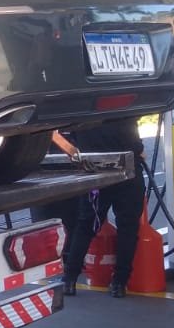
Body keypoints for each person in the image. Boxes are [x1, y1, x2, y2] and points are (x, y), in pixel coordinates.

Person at [54, 118, 146, 298]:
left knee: (86, 226)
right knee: (127, 228)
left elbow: (72, 139)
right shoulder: (125, 106)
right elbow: (134, 139)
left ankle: (69, 279)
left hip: (94, 171)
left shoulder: (86, 108)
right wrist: (139, 150)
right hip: (127, 170)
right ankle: (119, 283)